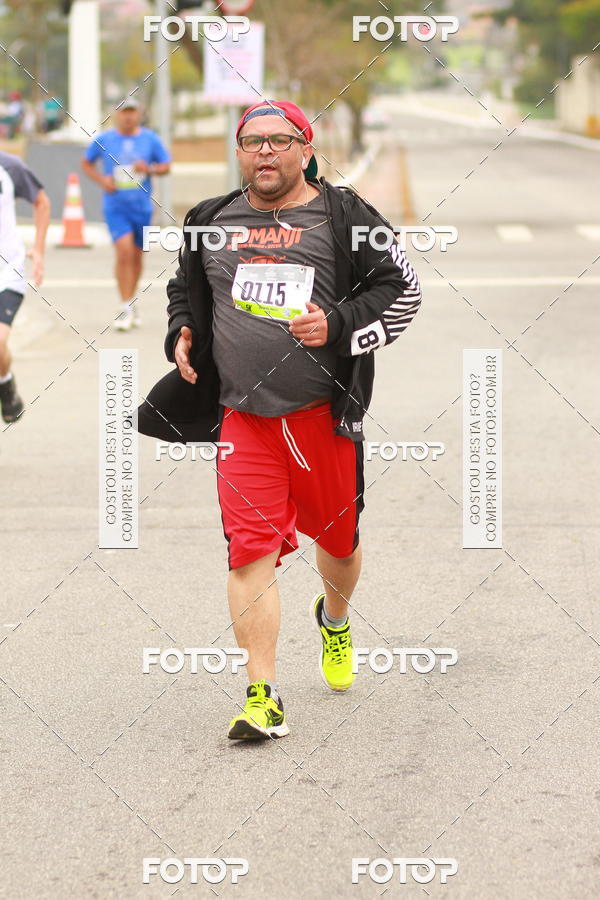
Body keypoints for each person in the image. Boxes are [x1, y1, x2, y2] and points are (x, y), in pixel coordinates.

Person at [137, 100, 422, 741]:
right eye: (251, 141)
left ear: (304, 147)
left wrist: (340, 324)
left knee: (339, 546)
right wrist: (181, 331)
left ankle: (336, 619)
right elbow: (185, 289)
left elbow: (403, 291)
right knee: (248, 554)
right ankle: (262, 695)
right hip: (245, 420)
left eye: (279, 140)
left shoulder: (344, 215)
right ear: (239, 152)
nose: (264, 151)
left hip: (323, 417)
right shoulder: (210, 219)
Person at [81, 98, 171, 331]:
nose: (128, 116)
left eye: (132, 112)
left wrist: (148, 169)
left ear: (138, 114)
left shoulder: (150, 139)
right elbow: (86, 163)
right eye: (124, 112)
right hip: (115, 205)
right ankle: (124, 306)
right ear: (116, 115)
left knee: (137, 257)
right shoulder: (105, 139)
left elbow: (166, 166)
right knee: (123, 253)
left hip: (142, 207)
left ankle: (131, 301)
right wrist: (103, 180)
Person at [0, 150, 50, 424]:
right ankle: (4, 380)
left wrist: (39, 250)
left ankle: (5, 383)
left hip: (7, 272)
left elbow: (41, 201)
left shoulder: (10, 166)